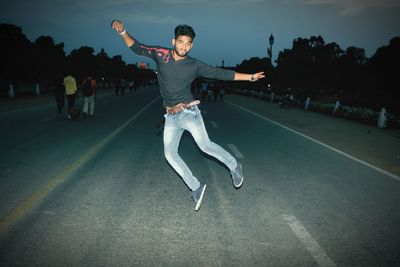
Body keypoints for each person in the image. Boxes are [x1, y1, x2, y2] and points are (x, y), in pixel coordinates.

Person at [112, 20, 265, 211]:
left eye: (188, 43)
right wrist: (123, 31)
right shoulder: (161, 54)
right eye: (181, 42)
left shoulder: (194, 65)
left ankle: (234, 166)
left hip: (188, 112)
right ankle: (196, 187)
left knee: (205, 145)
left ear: (191, 45)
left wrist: (249, 77)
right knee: (170, 154)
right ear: (173, 41)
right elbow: (137, 47)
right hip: (170, 116)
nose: (184, 46)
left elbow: (220, 73)